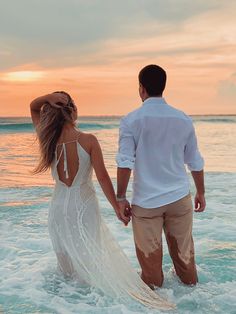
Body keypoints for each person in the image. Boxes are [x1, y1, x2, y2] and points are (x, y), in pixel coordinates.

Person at [30, 91, 173, 310]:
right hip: (83, 206)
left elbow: (33, 106)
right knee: (91, 257)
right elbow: (103, 177)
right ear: (73, 110)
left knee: (66, 266)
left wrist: (48, 97)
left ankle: (67, 305)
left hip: (58, 208)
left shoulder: (48, 139)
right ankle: (93, 305)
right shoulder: (88, 140)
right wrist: (118, 205)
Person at [116, 64, 206, 289]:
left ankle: (156, 307)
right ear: (163, 87)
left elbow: (125, 162)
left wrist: (120, 197)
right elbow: (194, 160)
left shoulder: (131, 120)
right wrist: (201, 192)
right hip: (179, 198)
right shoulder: (183, 119)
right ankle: (195, 305)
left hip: (147, 203)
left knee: (151, 273)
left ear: (141, 88)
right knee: (186, 265)